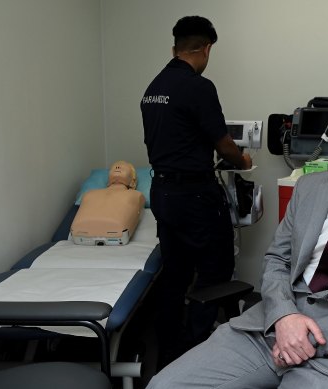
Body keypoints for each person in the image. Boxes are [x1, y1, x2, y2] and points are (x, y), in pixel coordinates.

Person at [146, 86, 328, 389]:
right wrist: (285, 318)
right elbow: (277, 260)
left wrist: (307, 335)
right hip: (269, 327)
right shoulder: (308, 187)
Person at [140, 16, 253, 369]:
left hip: (162, 191)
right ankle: (200, 350)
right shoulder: (198, 87)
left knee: (175, 271)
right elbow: (224, 144)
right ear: (205, 48)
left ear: (175, 46)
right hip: (195, 195)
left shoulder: (153, 87)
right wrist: (243, 160)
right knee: (216, 268)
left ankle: (169, 351)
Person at [71, 161, 145, 245]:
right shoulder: (89, 194)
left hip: (118, 234)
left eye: (123, 167)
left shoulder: (136, 195)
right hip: (79, 235)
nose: (117, 167)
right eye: (114, 167)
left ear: (133, 180)